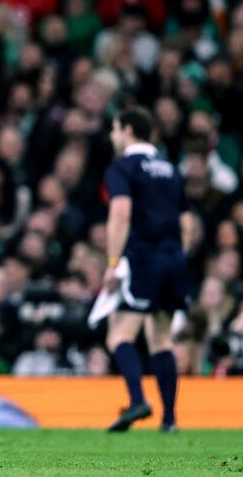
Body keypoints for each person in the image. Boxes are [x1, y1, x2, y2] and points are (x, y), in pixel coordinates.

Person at [102, 107, 190, 433]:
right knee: (161, 339)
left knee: (119, 335)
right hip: (174, 258)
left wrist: (112, 263)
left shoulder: (123, 167)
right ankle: (169, 420)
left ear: (127, 130)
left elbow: (121, 212)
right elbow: (187, 221)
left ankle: (138, 400)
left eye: (114, 129)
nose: (113, 136)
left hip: (143, 258)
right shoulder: (170, 168)